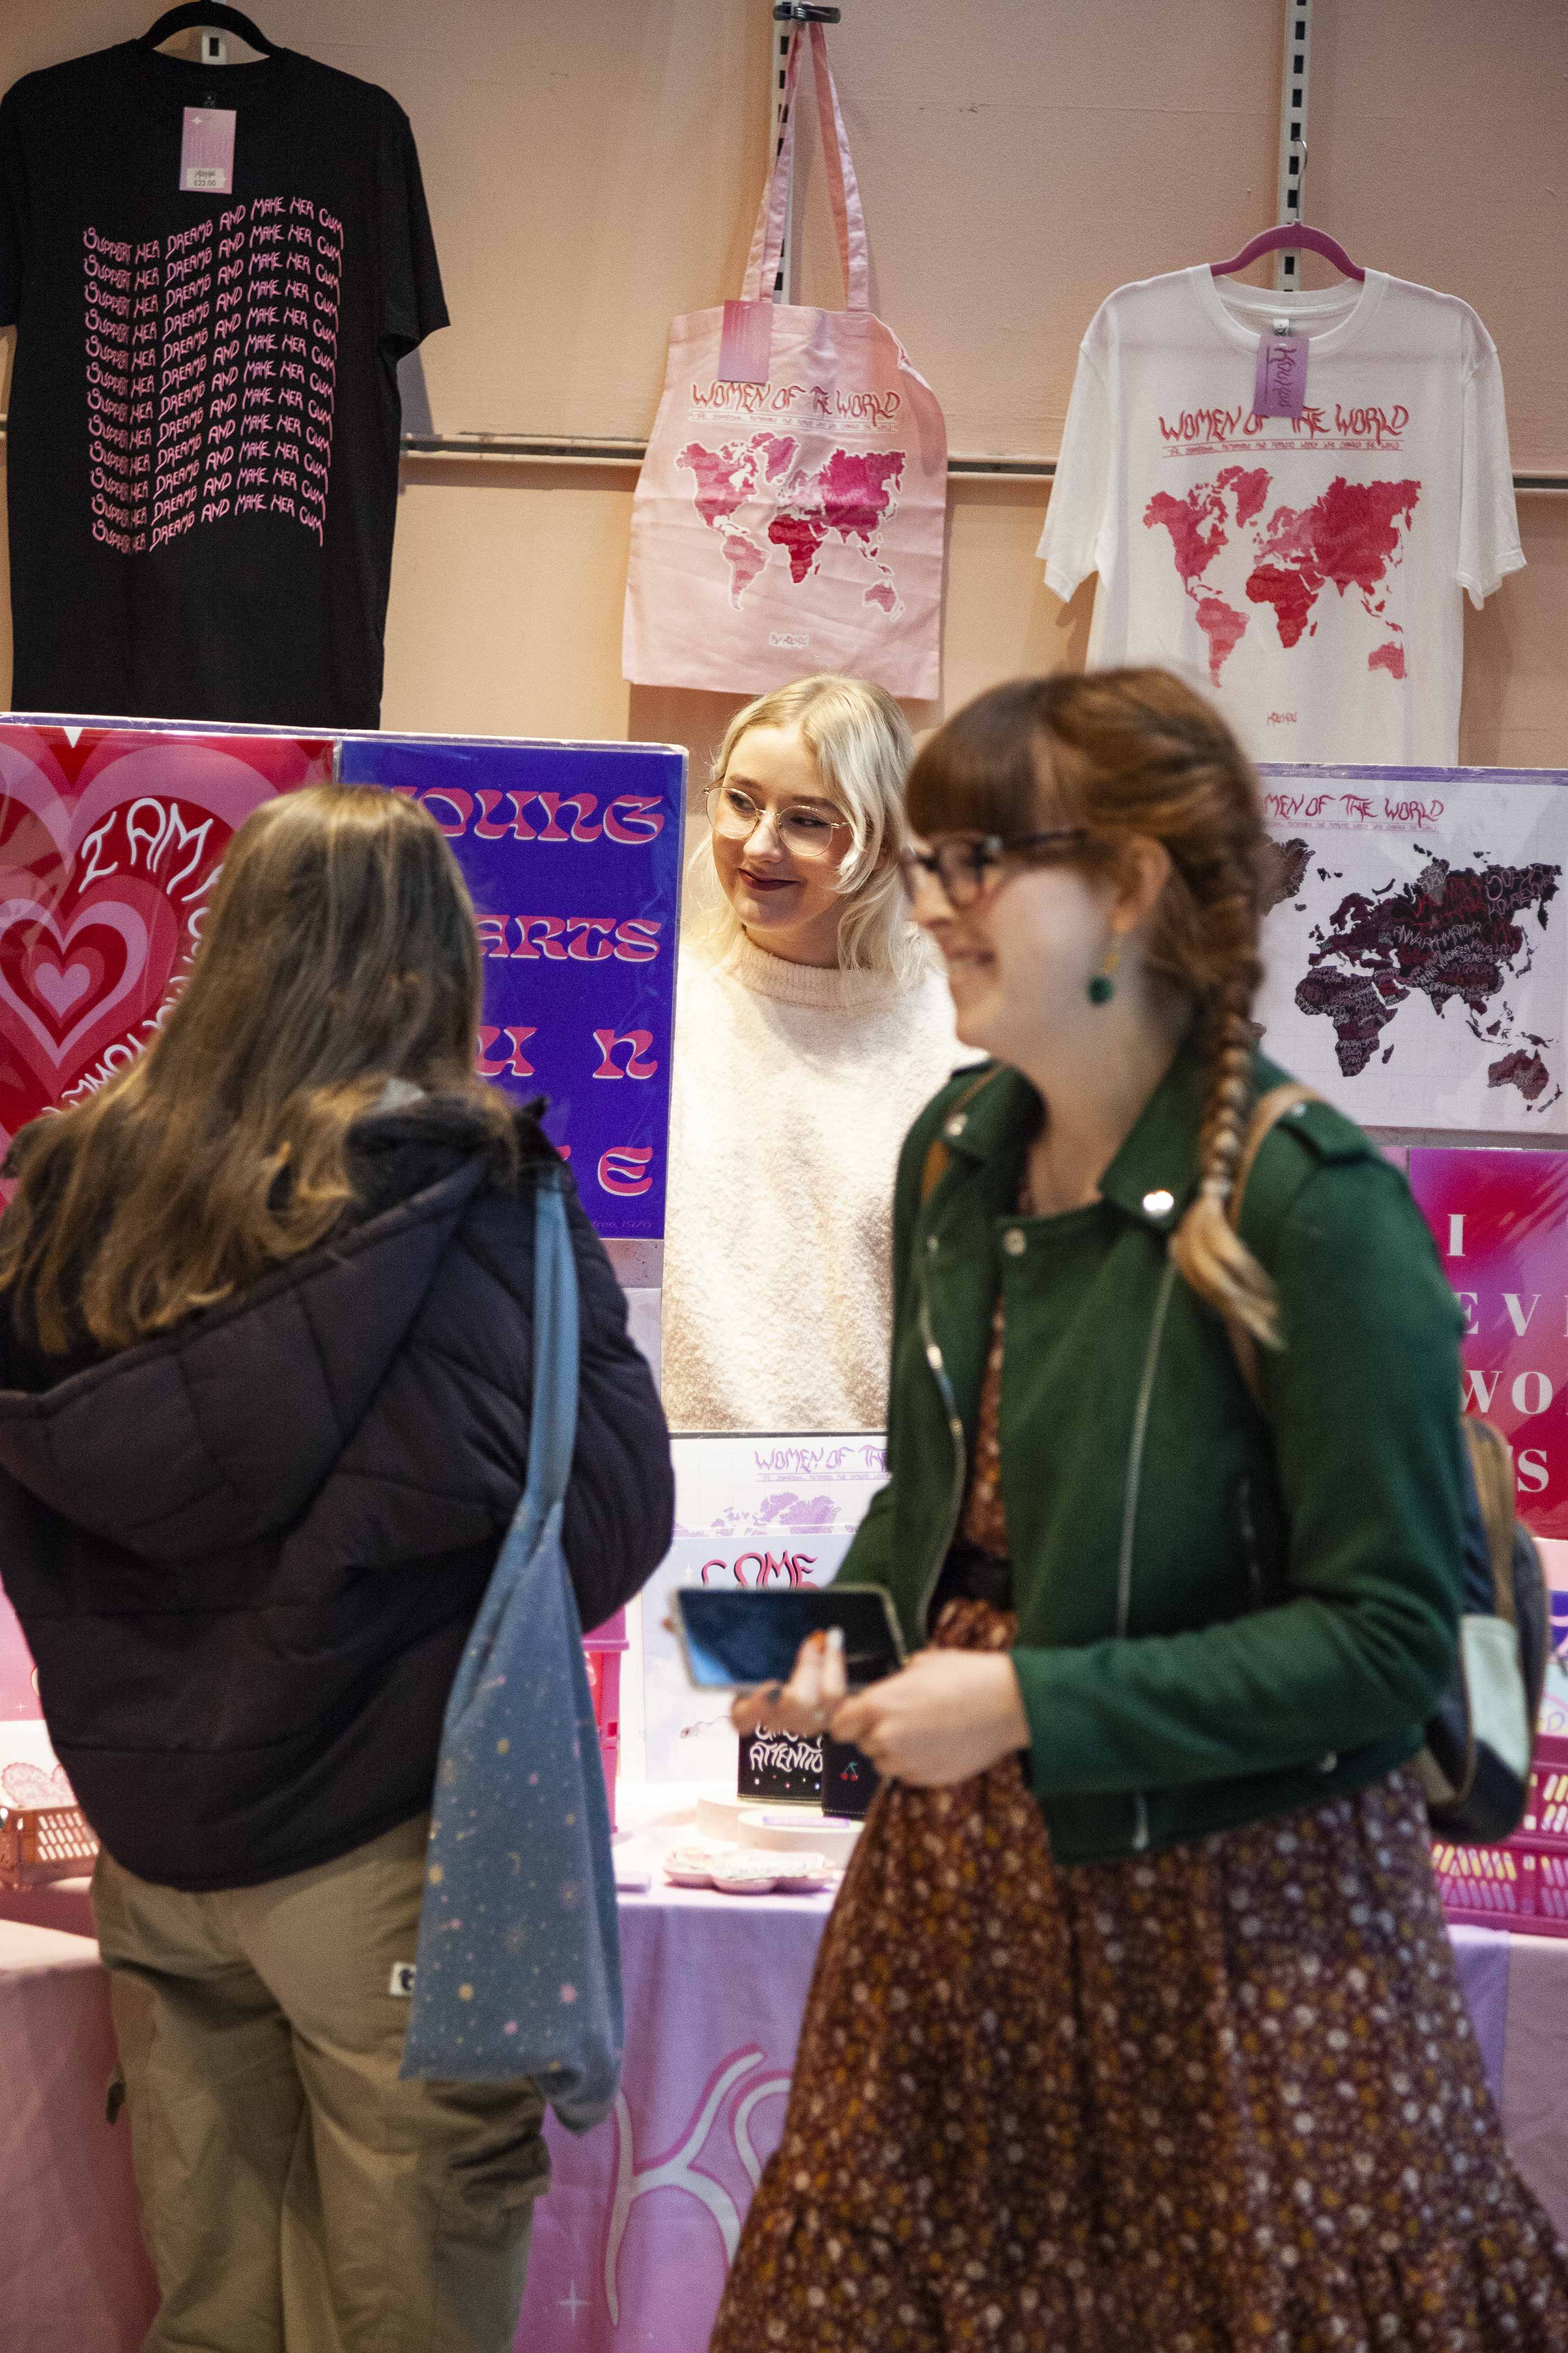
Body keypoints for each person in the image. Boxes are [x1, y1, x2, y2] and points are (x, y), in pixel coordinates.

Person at [716, 669, 1568, 2350]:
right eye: (935, 855)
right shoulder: (957, 1149)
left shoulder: (1311, 1210)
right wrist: (824, 1658)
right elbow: (933, 1494)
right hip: (954, 1932)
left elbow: (1389, 1645)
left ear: (1130, 892)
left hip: (1241, 1953)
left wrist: (1031, 1698)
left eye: (983, 858)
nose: (936, 895)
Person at [0, 786, 674, 2353]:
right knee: (410, 2309)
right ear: (442, 965)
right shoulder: (485, 1200)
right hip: (391, 1851)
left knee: (215, 2308)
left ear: (226, 946)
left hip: (154, 1847)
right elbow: (613, 1519)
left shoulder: (73, 1190)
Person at [663, 673, 973, 1434]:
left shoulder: (959, 1036)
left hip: (880, 1504)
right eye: (740, 801)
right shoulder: (653, 1010)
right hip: (672, 1501)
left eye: (807, 820)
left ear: (882, 841)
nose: (759, 844)